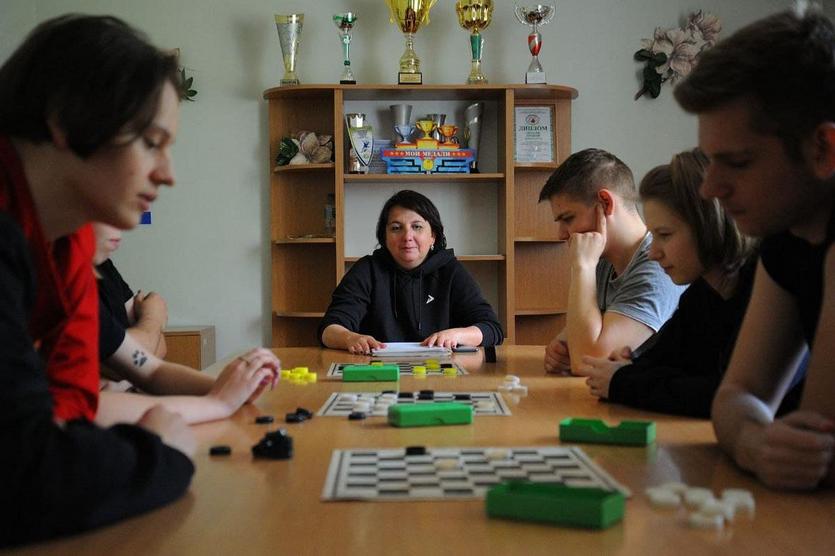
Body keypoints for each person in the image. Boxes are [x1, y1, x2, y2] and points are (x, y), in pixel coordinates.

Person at [0, 14, 277, 546]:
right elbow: (29, 478)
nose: (168, 173)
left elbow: (70, 415)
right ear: (65, 119)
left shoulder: (66, 246)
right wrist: (159, 453)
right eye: (152, 142)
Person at [674, 6, 835, 489]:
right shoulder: (788, 237)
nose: (709, 189)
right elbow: (737, 396)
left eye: (737, 162)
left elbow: (817, 440)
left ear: (824, 149)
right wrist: (755, 442)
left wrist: (760, 440)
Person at [576, 149, 806, 417]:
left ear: (706, 224)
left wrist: (625, 381)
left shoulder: (769, 282)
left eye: (665, 234)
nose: (653, 252)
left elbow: (723, 395)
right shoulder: (703, 292)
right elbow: (661, 362)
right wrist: (630, 369)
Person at [93, 223, 279, 425]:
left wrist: (234, 387)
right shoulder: (60, 284)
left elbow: (152, 367)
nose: (123, 226)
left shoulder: (99, 270)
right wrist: (154, 315)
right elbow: (91, 406)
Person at [538, 148, 686, 375]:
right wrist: (563, 350)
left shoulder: (657, 268)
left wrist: (583, 268)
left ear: (606, 203)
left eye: (568, 219)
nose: (561, 234)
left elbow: (588, 362)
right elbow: (571, 342)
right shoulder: (603, 260)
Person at [319, 189, 503, 353]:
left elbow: (492, 329)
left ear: (433, 236)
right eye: (396, 228)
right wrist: (350, 338)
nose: (407, 237)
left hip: (441, 375)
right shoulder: (367, 270)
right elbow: (328, 329)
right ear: (384, 237)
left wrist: (457, 335)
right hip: (377, 372)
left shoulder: (451, 271)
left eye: (417, 227)